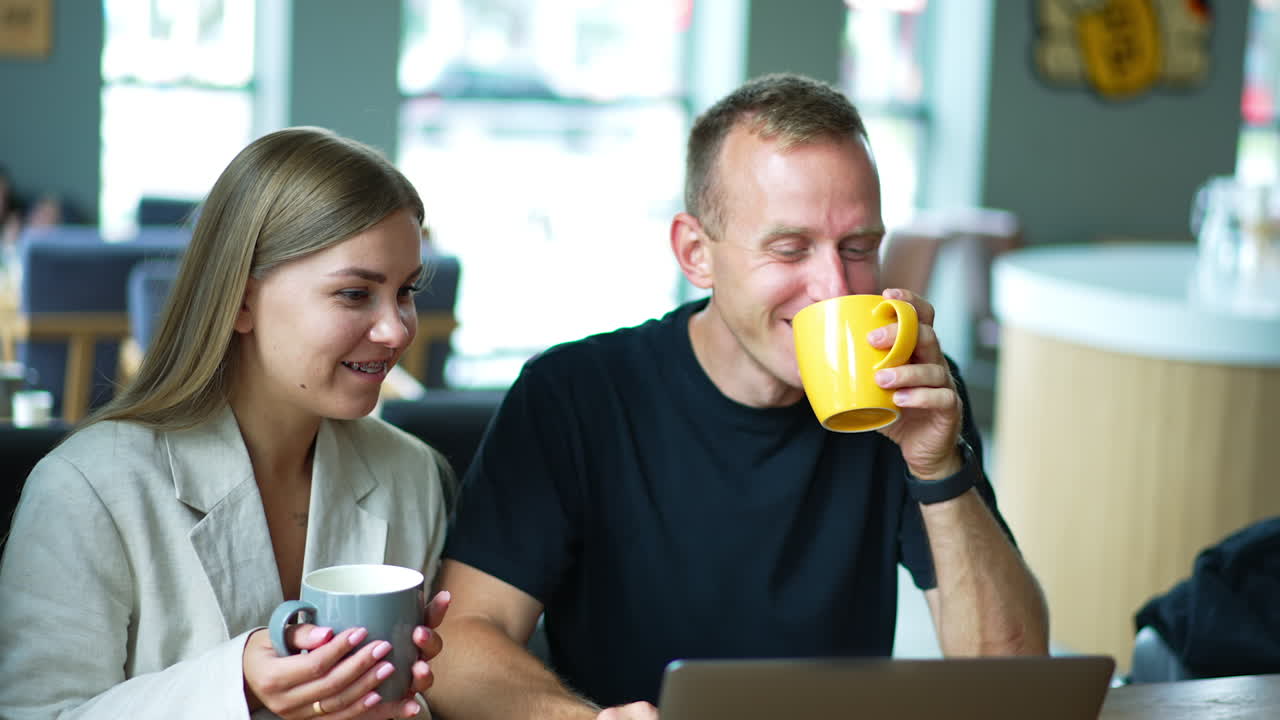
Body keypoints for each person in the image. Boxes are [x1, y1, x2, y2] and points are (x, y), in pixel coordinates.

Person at [428, 73, 1051, 719]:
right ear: (696, 252)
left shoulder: (913, 393)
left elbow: (1013, 680)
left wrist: (938, 469)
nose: (834, 290)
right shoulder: (575, 395)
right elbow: (460, 641)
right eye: (790, 249)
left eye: (858, 249)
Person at [0, 127, 453, 719]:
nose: (396, 330)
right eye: (353, 294)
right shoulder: (87, 488)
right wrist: (234, 686)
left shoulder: (408, 473)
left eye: (406, 292)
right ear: (241, 299)